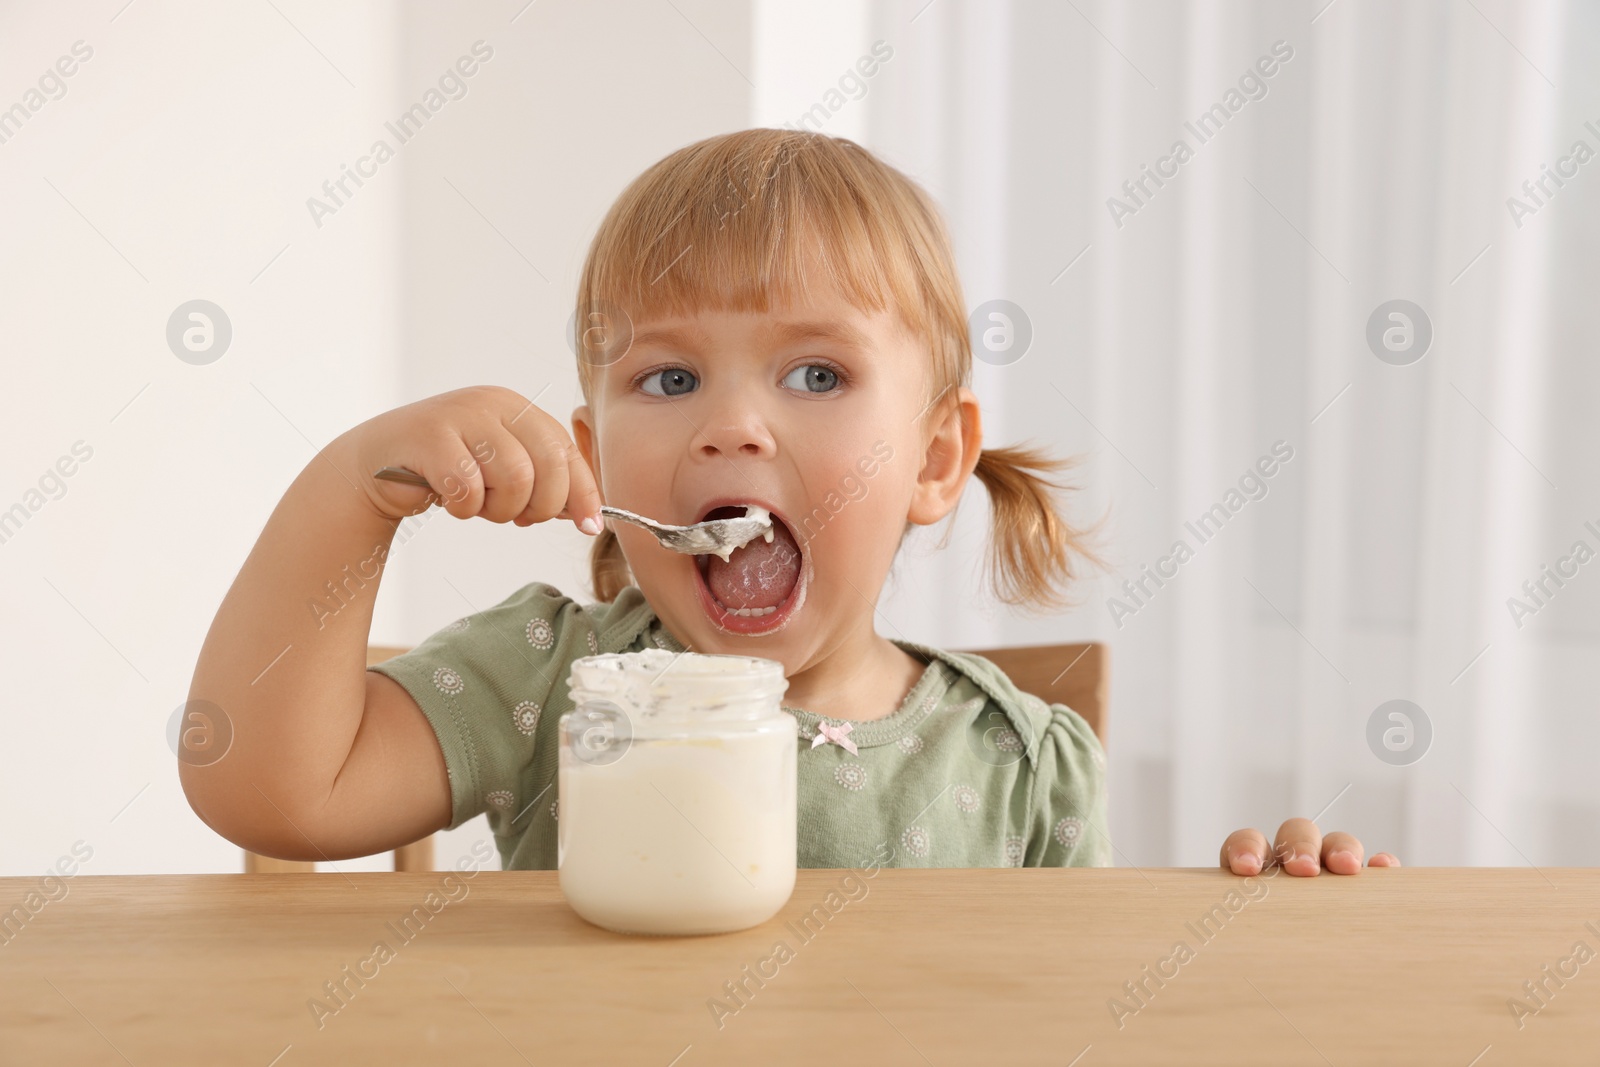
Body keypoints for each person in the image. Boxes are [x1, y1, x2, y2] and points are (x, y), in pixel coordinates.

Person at [181, 128, 1394, 876]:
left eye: (816, 373)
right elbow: (261, 786)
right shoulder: (548, 684)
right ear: (598, 463)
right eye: (669, 376)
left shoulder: (1025, 765)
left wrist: (1272, 905)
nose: (734, 423)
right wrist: (348, 495)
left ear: (932, 460)